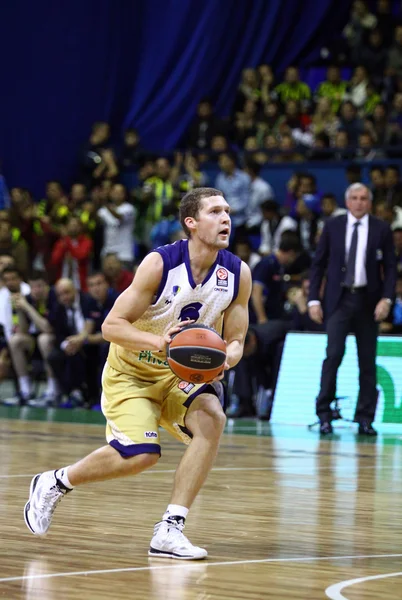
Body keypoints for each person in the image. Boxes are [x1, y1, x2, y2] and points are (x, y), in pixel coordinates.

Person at [24, 187, 252, 561]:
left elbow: (237, 338)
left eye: (227, 211)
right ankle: (55, 481)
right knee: (141, 456)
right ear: (191, 223)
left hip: (181, 377)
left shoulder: (237, 273)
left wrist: (227, 357)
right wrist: (159, 343)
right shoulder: (159, 264)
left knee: (213, 418)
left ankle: (170, 528)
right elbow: (112, 326)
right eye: (214, 212)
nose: (225, 218)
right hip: (132, 373)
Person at [308, 183, 397, 436]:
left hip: (369, 303)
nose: (359, 202)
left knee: (367, 362)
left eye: (364, 198)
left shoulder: (381, 228)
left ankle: (365, 417)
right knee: (333, 356)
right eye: (355, 198)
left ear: (369, 202)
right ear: (347, 202)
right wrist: (314, 299)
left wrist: (387, 299)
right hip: (339, 300)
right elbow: (318, 265)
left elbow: (391, 268)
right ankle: (324, 414)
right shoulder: (333, 226)